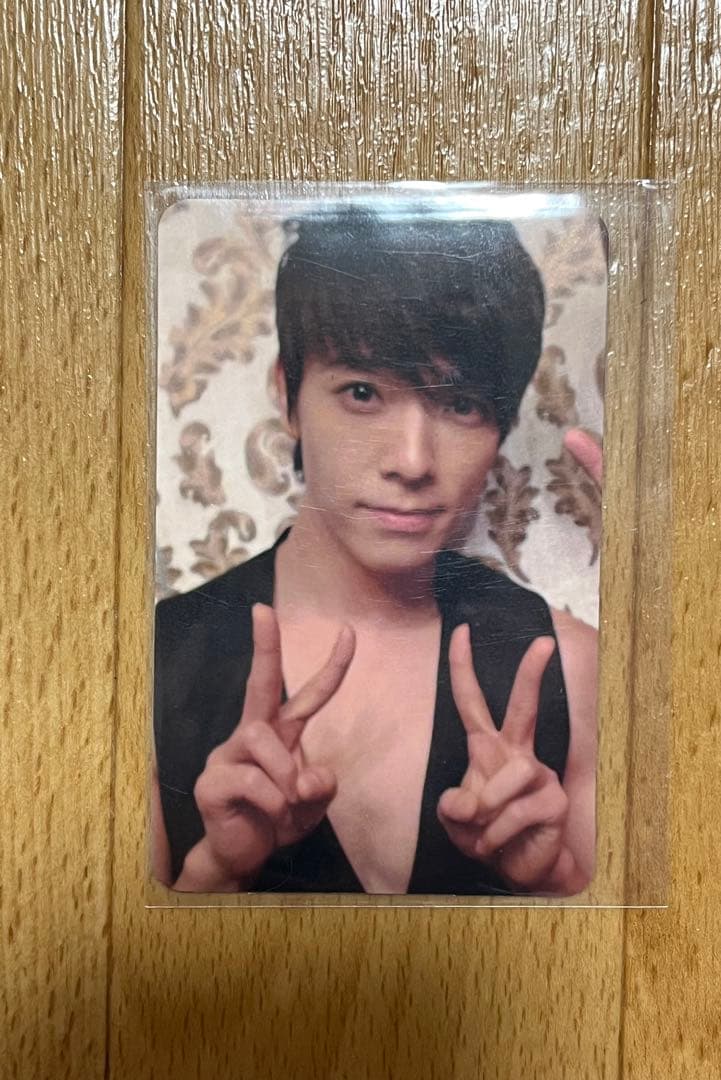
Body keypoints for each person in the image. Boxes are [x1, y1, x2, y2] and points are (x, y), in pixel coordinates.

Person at [151, 207, 600, 896]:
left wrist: (555, 879)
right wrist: (216, 871)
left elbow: (651, 954)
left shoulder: (571, 665)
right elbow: (97, 958)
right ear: (287, 394)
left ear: (503, 423)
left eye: (461, 405)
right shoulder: (151, 663)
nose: (413, 461)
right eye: (362, 393)